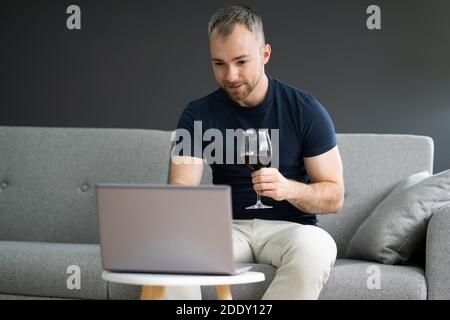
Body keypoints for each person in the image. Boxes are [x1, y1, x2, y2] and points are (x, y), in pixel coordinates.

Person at [170, 4, 344, 300]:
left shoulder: (304, 110)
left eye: (241, 61)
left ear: (265, 54)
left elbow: (334, 196)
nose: (231, 75)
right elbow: (180, 188)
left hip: (291, 229)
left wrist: (288, 189)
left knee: (317, 249)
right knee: (172, 253)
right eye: (219, 64)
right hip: (227, 228)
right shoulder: (198, 114)